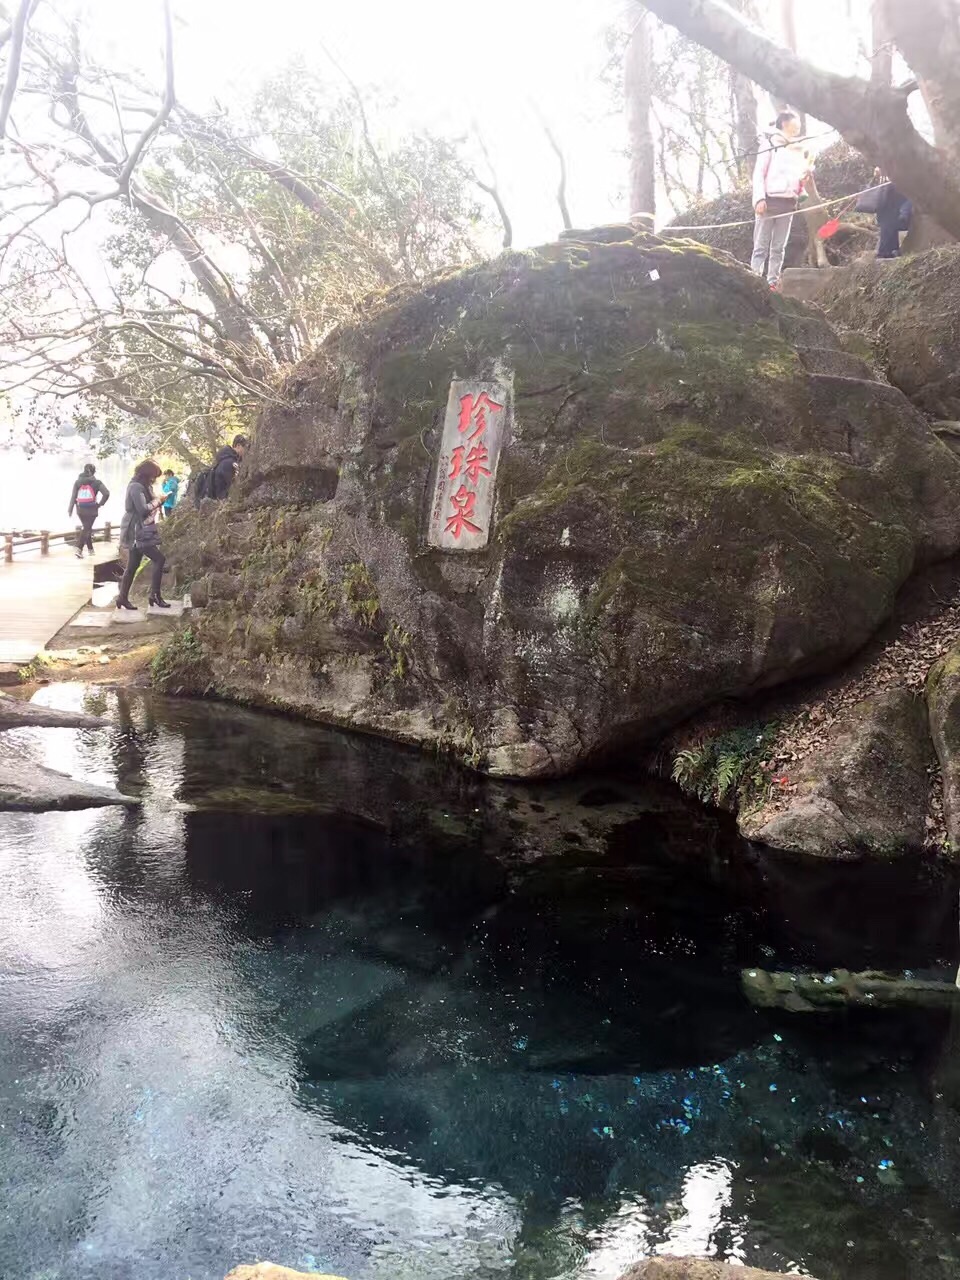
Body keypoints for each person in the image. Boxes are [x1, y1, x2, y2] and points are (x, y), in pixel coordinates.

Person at [750, 111, 811, 291]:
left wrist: (802, 183)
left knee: (779, 247)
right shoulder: (769, 143)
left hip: (788, 203)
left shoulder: (796, 149)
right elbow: (759, 173)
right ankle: (754, 279)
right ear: (784, 122)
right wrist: (759, 199)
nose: (798, 125)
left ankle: (772, 282)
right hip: (768, 201)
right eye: (795, 121)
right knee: (761, 245)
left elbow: (798, 177)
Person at [116, 459, 170, 610]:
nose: (155, 479)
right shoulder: (136, 487)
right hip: (137, 531)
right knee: (159, 559)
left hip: (141, 529)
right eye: (154, 476)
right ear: (147, 474)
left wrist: (160, 500)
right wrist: (158, 501)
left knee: (133, 565)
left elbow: (149, 506)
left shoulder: (143, 486)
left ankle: (122, 598)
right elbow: (143, 510)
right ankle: (155, 595)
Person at [68, 463, 110, 559]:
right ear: (94, 471)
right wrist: (100, 504)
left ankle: (90, 550)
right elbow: (106, 493)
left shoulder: (78, 482)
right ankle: (79, 549)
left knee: (87, 528)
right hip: (91, 509)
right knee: (87, 528)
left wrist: (70, 509)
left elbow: (73, 496)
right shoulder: (97, 482)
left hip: (80, 509)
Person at [872, 169, 913, 259]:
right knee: (888, 225)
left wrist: (904, 212)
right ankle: (887, 252)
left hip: (900, 204)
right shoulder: (886, 174)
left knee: (890, 224)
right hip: (889, 204)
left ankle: (887, 252)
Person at [211, 434, 248, 499]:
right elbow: (232, 484)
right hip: (223, 497)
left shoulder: (224, 459)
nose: (245, 451)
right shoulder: (229, 462)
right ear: (238, 445)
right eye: (244, 447)